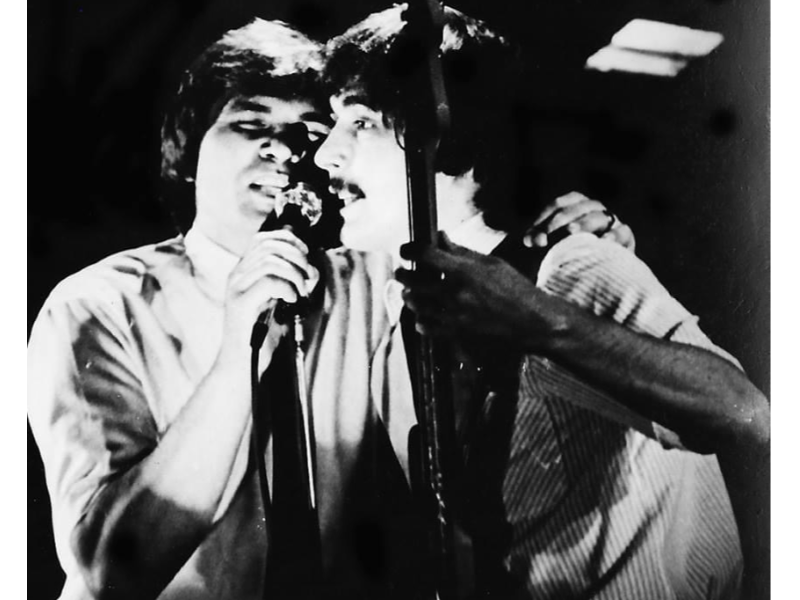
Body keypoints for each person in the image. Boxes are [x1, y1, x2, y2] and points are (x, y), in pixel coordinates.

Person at [26, 16, 629, 600]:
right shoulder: (99, 304)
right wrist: (238, 352)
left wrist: (581, 233)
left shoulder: (369, 276)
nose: (284, 149)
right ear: (188, 151)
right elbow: (111, 573)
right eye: (250, 122)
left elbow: (488, 260)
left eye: (312, 132)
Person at [314, 4, 769, 599]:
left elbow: (744, 415)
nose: (326, 154)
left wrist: (541, 324)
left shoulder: (569, 266)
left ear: (445, 134)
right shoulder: (395, 336)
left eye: (360, 121)